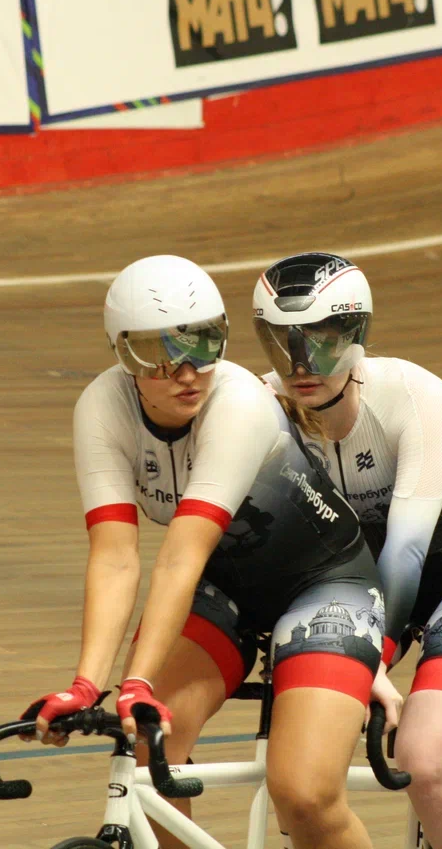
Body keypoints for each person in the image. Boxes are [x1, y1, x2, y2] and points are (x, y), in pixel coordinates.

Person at [22, 255, 386, 849]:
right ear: (122, 354)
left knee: (304, 793)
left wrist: (134, 677)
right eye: (158, 356)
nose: (187, 372)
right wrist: (88, 684)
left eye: (205, 343)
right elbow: (115, 557)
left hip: (325, 584)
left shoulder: (240, 404)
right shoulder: (100, 408)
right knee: (150, 747)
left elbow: (178, 557)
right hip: (224, 585)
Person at [252, 252, 442, 849]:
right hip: (357, 586)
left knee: (425, 764)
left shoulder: (412, 392)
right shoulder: (257, 407)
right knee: (302, 782)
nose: (301, 365)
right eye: (282, 344)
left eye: (320, 343)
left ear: (357, 337)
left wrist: (374, 656)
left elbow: (406, 552)